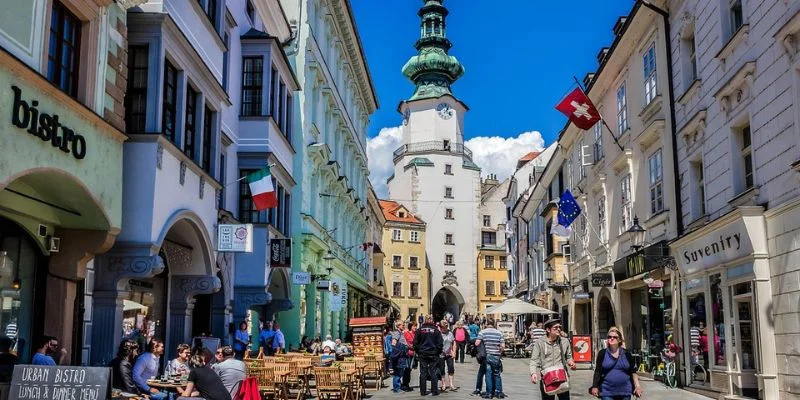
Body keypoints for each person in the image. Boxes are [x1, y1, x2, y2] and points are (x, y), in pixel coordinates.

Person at [590, 327, 643, 400]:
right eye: (609, 337)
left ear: (620, 340)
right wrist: (595, 386)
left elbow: (633, 372)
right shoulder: (602, 353)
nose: (612, 338)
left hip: (625, 391)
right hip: (607, 392)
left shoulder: (627, 354)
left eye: (615, 337)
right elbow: (598, 371)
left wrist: (637, 387)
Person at [529, 320, 575, 400]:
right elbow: (534, 360)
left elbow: (568, 356)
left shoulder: (564, 341)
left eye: (559, 327)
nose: (559, 329)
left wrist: (571, 362)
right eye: (555, 328)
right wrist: (533, 373)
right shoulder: (540, 342)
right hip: (547, 377)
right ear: (548, 330)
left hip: (561, 377)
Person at [413, 315, 443, 396]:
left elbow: (415, 343)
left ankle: (423, 391)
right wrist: (438, 351)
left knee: (423, 372)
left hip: (423, 353)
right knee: (434, 372)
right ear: (432, 321)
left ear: (424, 321)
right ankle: (434, 391)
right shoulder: (436, 330)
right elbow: (440, 343)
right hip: (433, 353)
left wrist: (418, 351)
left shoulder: (419, 330)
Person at [476, 320, 505, 399]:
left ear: (486, 324)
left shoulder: (482, 332)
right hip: (496, 356)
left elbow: (477, 343)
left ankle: (489, 394)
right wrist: (500, 352)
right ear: (494, 324)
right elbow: (502, 346)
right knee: (497, 374)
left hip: (487, 356)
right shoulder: (499, 333)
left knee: (488, 374)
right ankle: (498, 392)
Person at [389, 326, 410, 393]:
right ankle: (396, 388)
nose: (403, 326)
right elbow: (394, 344)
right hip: (399, 356)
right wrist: (400, 350)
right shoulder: (397, 333)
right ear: (398, 325)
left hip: (401, 355)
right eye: (402, 325)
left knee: (399, 372)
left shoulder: (400, 333)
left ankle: (398, 386)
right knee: (397, 372)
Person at [438, 320, 457, 391]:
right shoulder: (438, 334)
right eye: (443, 327)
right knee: (442, 369)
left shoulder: (450, 333)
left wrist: (454, 352)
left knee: (451, 368)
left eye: (446, 327)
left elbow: (453, 342)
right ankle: (443, 384)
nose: (445, 328)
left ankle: (451, 384)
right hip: (441, 354)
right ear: (440, 327)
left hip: (449, 353)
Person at [402, 322, 416, 391]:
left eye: (415, 326)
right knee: (406, 369)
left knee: (409, 369)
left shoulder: (415, 334)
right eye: (414, 326)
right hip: (407, 353)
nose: (415, 328)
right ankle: (405, 384)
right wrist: (411, 346)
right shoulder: (406, 333)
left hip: (413, 353)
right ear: (411, 326)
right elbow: (405, 342)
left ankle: (407, 384)